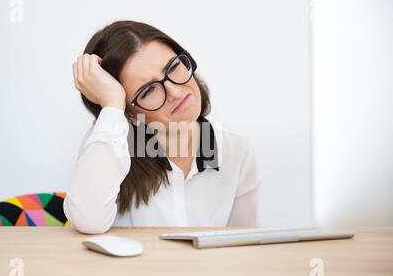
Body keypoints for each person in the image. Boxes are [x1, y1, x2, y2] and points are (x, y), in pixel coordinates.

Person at [64, 20, 261, 234]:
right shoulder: (109, 143)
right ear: (129, 113)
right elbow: (87, 221)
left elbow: (245, 242)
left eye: (174, 67)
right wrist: (112, 106)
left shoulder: (235, 148)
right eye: (148, 91)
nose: (175, 92)